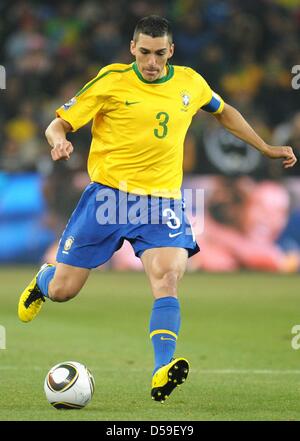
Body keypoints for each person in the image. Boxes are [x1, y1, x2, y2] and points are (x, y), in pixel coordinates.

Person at [18, 15, 297, 403]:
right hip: (107, 199)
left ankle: (161, 369)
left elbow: (223, 110)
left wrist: (264, 147)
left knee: (167, 277)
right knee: (65, 291)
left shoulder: (189, 82)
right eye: (145, 52)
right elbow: (57, 124)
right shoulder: (111, 80)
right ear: (133, 48)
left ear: (171, 51)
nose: (151, 62)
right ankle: (45, 280)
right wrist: (59, 141)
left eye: (159, 53)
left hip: (162, 202)